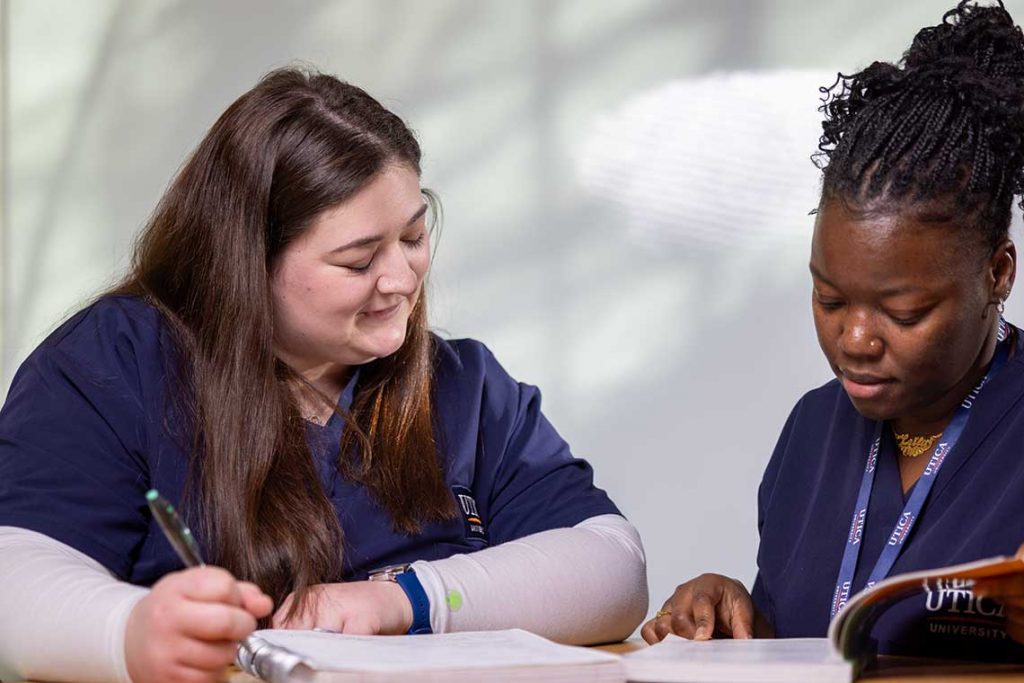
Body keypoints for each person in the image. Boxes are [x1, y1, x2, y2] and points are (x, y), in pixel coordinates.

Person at [0, 69, 648, 683]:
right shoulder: (112, 364)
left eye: (414, 235)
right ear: (246, 264)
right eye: (359, 259)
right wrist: (128, 630)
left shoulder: (461, 385)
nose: (401, 280)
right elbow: (15, 573)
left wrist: (406, 600)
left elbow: (611, 568)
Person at [643, 0, 1024, 661]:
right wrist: (735, 621)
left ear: (996, 272)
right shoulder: (811, 432)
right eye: (828, 297)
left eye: (902, 312)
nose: (854, 340)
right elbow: (812, 648)